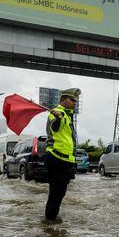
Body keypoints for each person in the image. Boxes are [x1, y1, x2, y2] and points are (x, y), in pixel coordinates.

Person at [44, 88, 80, 221]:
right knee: (55, 193)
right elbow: (54, 128)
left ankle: (52, 219)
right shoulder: (57, 113)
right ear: (63, 100)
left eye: (75, 101)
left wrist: (73, 162)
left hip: (65, 160)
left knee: (60, 193)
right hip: (55, 157)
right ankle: (50, 223)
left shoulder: (68, 116)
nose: (74, 103)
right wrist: (58, 118)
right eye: (72, 100)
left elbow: (71, 142)